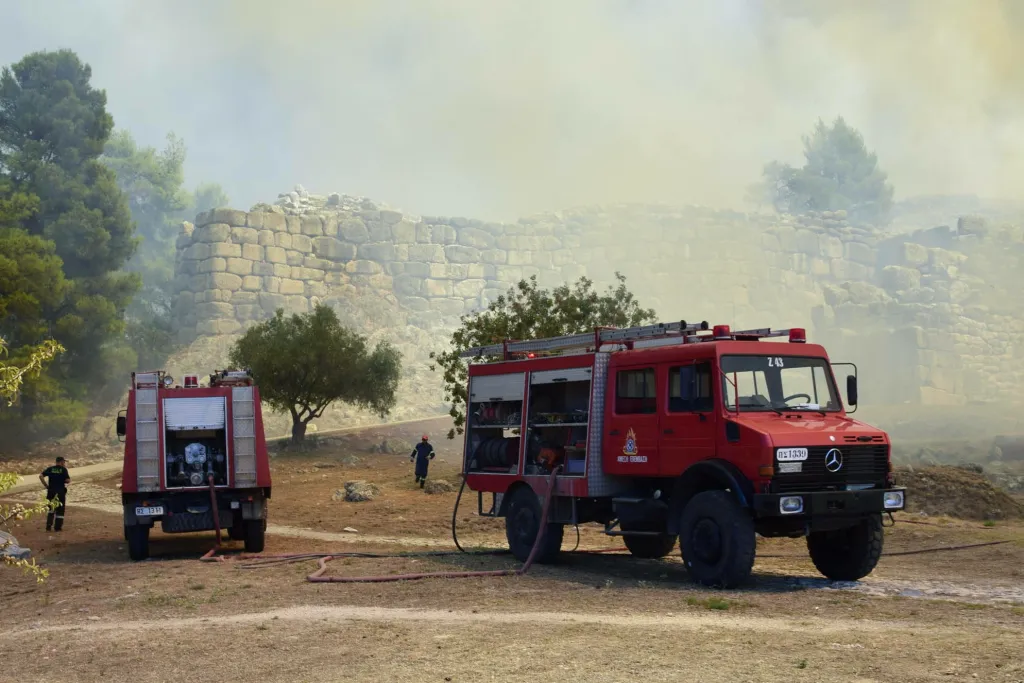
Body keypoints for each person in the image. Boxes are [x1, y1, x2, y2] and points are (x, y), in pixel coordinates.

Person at [39, 456, 71, 532]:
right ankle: (57, 528)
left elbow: (40, 476)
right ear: (62, 462)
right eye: (64, 462)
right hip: (60, 493)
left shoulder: (50, 469)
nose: (64, 463)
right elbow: (68, 480)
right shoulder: (63, 469)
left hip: (51, 492)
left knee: (51, 509)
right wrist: (63, 479)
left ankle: (48, 526)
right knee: (60, 510)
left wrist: (46, 485)